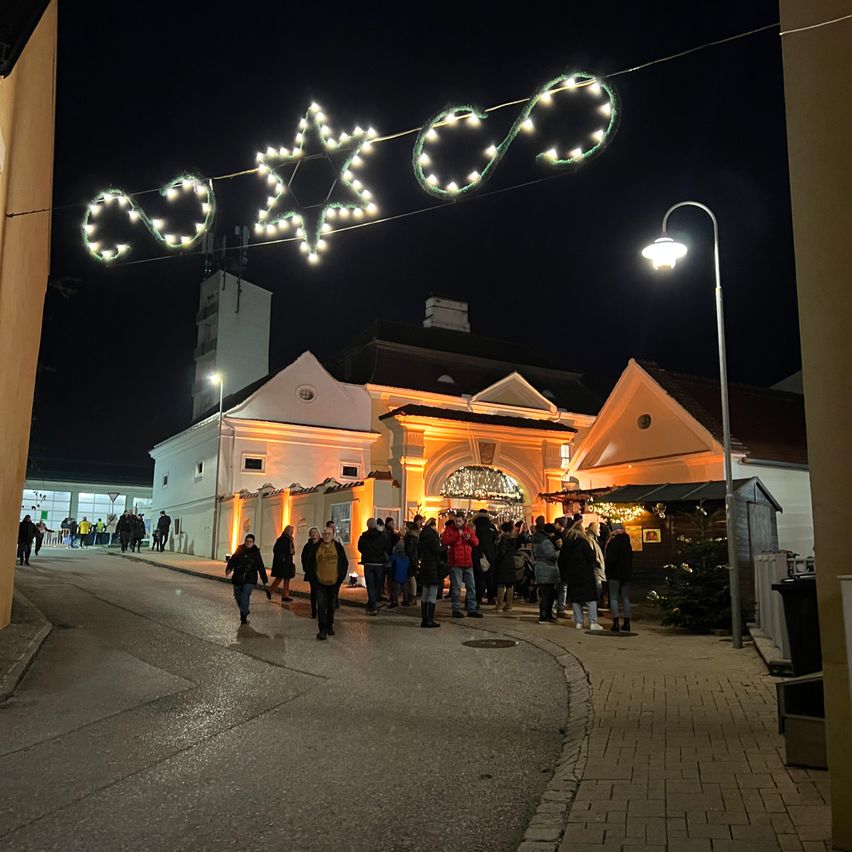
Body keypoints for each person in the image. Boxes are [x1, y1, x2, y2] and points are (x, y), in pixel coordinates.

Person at [559, 519, 603, 631]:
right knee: (590, 599)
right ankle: (593, 622)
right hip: (585, 574)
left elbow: (561, 560)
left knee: (576, 598)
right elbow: (592, 557)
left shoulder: (566, 544)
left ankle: (579, 622)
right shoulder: (584, 542)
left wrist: (565, 573)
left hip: (571, 574)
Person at [441, 513, 482, 619]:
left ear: (463, 521)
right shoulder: (449, 530)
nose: (457, 523)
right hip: (455, 563)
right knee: (456, 588)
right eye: (456, 521)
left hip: (468, 562)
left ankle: (472, 609)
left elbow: (476, 542)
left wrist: (469, 538)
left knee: (471, 587)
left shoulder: (468, 530)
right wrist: (457, 535)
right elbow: (445, 541)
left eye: (459, 521)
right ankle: (456, 609)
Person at [225, 533, 270, 624]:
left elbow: (261, 567)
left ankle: (243, 615)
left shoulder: (256, 553)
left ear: (253, 543)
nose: (248, 543)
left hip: (250, 578)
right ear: (245, 542)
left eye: (250, 541)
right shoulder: (239, 550)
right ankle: (245, 609)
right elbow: (232, 560)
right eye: (247, 541)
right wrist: (228, 569)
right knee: (238, 596)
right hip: (238, 577)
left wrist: (265, 580)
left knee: (245, 595)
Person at [313, 526, 348, 640]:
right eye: (325, 534)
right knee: (321, 606)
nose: (327, 536)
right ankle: (322, 630)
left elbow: (344, 563)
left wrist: (340, 579)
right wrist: (313, 578)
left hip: (334, 583)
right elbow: (309, 562)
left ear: (333, 535)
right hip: (320, 583)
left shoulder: (338, 548)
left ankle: (329, 626)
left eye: (329, 534)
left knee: (331, 606)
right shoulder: (316, 548)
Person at [605, 523, 634, 632]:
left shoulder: (613, 542)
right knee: (626, 598)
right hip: (626, 573)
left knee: (613, 597)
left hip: (614, 574)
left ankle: (616, 623)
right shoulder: (627, 542)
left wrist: (608, 569)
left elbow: (610, 559)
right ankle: (627, 623)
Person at [358, 518, 388, 615]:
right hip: (379, 563)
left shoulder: (364, 536)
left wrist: (367, 553)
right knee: (377, 585)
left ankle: (372, 604)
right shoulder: (382, 536)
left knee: (370, 585)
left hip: (368, 563)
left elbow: (360, 548)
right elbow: (387, 546)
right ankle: (372, 604)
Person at [416, 518, 442, 628]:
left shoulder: (421, 535)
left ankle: (424, 619)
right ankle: (430, 619)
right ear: (433, 525)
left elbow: (418, 550)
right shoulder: (434, 536)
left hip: (424, 565)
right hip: (433, 566)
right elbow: (436, 551)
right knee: (432, 593)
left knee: (425, 592)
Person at [533, 523, 560, 623]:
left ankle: (547, 615)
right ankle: (544, 615)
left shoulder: (538, 539)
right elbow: (551, 555)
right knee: (547, 595)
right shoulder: (545, 541)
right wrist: (560, 550)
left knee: (547, 594)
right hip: (546, 569)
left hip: (542, 568)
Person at [472, 510, 498, 605]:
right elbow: (496, 537)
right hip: (490, 556)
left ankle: (478, 597)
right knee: (490, 578)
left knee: (479, 578)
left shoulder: (475, 527)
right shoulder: (491, 527)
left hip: (478, 555)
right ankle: (490, 598)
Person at [494, 521, 518, 612]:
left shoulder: (503, 539)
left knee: (500, 584)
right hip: (511, 562)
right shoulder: (513, 538)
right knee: (509, 585)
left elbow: (502, 552)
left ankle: (499, 605)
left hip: (503, 563)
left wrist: (497, 558)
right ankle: (509, 605)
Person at [270, 525, 296, 603]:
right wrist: (283, 558)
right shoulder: (281, 540)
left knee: (286, 579)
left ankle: (284, 595)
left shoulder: (290, 540)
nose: (292, 532)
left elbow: (292, 551)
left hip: (288, 562)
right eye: (291, 531)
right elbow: (276, 551)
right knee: (281, 578)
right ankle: (271, 590)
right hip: (283, 563)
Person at [301, 527, 321, 618]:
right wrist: (306, 568)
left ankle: (321, 609)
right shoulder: (307, 546)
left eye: (315, 532)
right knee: (314, 591)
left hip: (321, 571)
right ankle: (314, 610)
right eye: (312, 533)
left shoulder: (322, 544)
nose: (314, 534)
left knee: (321, 591)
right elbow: (303, 558)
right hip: (312, 572)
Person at [403, 516, 422, 606]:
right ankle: (411, 597)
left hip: (411, 560)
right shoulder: (414, 537)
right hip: (413, 559)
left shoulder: (410, 538)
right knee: (411, 578)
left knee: (411, 578)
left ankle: (412, 597)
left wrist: (408, 559)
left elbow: (410, 551)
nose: (405, 528)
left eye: (406, 527)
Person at [586, 521, 607, 606]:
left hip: (597, 571)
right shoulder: (590, 539)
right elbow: (591, 554)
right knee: (596, 590)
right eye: (597, 528)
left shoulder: (594, 539)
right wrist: (597, 561)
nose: (599, 530)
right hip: (595, 571)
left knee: (598, 590)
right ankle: (594, 609)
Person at [389, 538, 410, 608]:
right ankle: (406, 600)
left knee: (395, 589)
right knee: (405, 589)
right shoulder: (406, 557)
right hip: (405, 576)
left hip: (396, 576)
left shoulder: (394, 556)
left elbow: (389, 564)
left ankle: (394, 601)